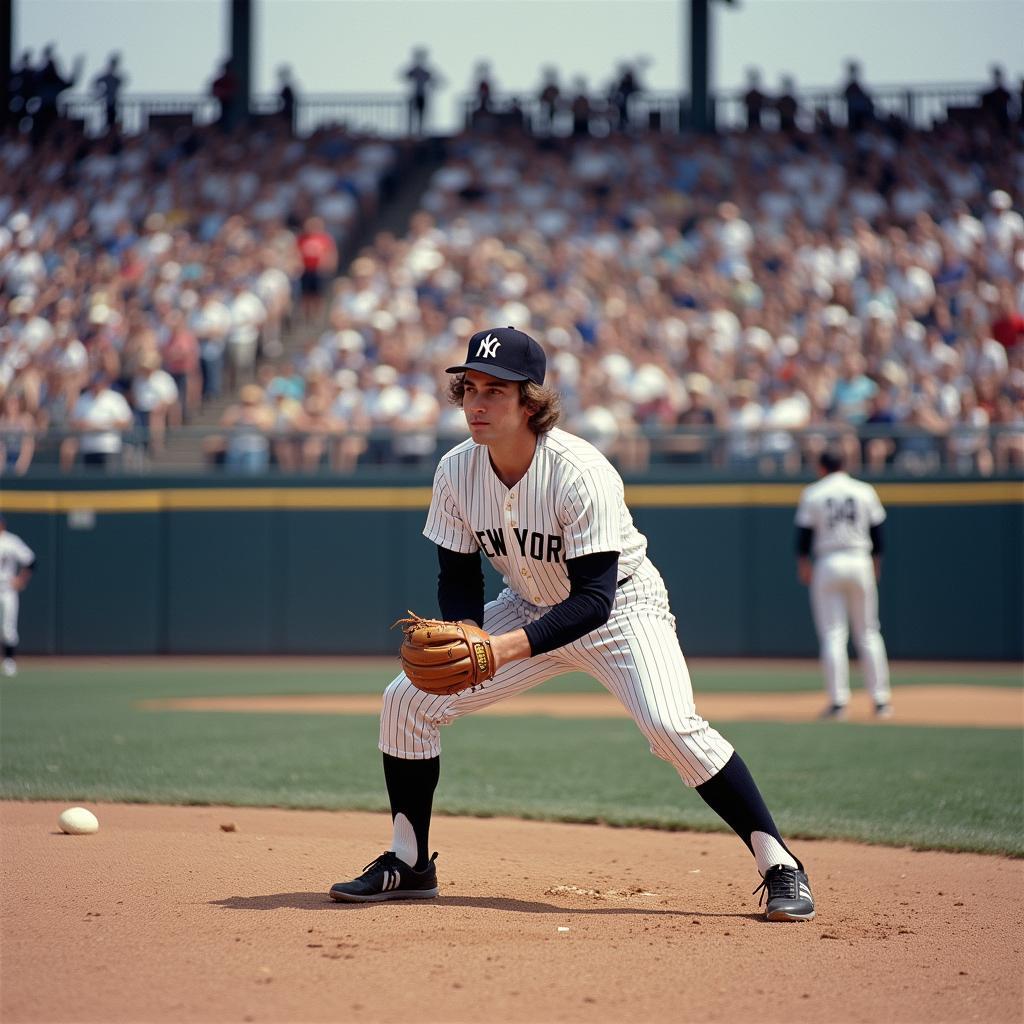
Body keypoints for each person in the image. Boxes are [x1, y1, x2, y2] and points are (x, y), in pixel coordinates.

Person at [329, 327, 816, 922]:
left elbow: (593, 600)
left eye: (495, 391)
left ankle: (780, 863)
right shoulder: (456, 470)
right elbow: (458, 577)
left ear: (531, 401)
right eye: (469, 388)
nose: (477, 404)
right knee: (406, 702)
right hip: (527, 603)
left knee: (669, 725)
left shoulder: (579, 471)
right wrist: (467, 634)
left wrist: (499, 649)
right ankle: (410, 864)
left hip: (622, 611)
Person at [795, 450, 892, 720]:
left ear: (822, 467)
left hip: (828, 562)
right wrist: (876, 564)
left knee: (833, 634)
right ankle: (881, 701)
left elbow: (803, 537)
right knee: (869, 631)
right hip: (860, 559)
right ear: (844, 465)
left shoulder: (813, 492)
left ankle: (838, 702)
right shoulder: (864, 490)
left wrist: (804, 564)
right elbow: (878, 533)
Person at [0, 515, 35, 678]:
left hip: (7, 589)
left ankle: (9, 662)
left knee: (8, 627)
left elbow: (31, 561)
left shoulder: (11, 541)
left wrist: (21, 579)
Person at [92, 53, 124, 133]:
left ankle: (111, 129)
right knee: (110, 115)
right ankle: (110, 129)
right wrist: (100, 93)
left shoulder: (113, 77)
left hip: (112, 99)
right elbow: (97, 81)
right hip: (110, 100)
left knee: (112, 115)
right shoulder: (109, 76)